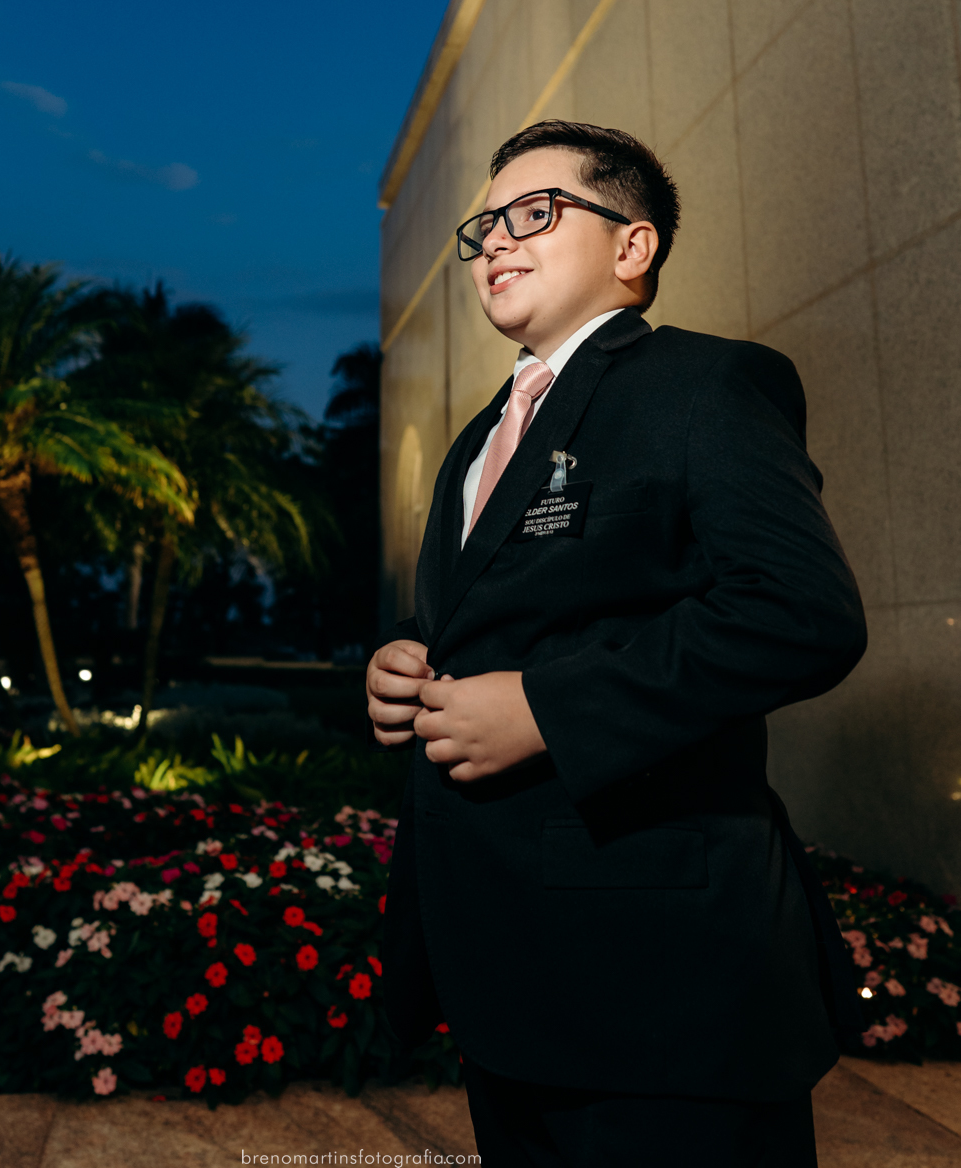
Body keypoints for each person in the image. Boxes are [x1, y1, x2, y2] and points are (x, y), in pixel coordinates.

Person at [367, 120, 867, 1168]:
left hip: (660, 986)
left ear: (632, 248)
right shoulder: (479, 435)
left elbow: (799, 613)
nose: (496, 242)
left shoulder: (710, 387)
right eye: (484, 226)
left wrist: (547, 709)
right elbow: (498, 616)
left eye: (534, 213)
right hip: (503, 975)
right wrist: (403, 663)